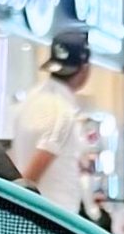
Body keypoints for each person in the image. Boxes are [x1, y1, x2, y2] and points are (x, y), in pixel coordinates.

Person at [10, 29, 91, 214]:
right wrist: (18, 199)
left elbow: (15, 154)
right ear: (84, 68)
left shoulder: (29, 100)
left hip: (32, 215)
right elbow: (41, 159)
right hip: (54, 217)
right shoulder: (62, 110)